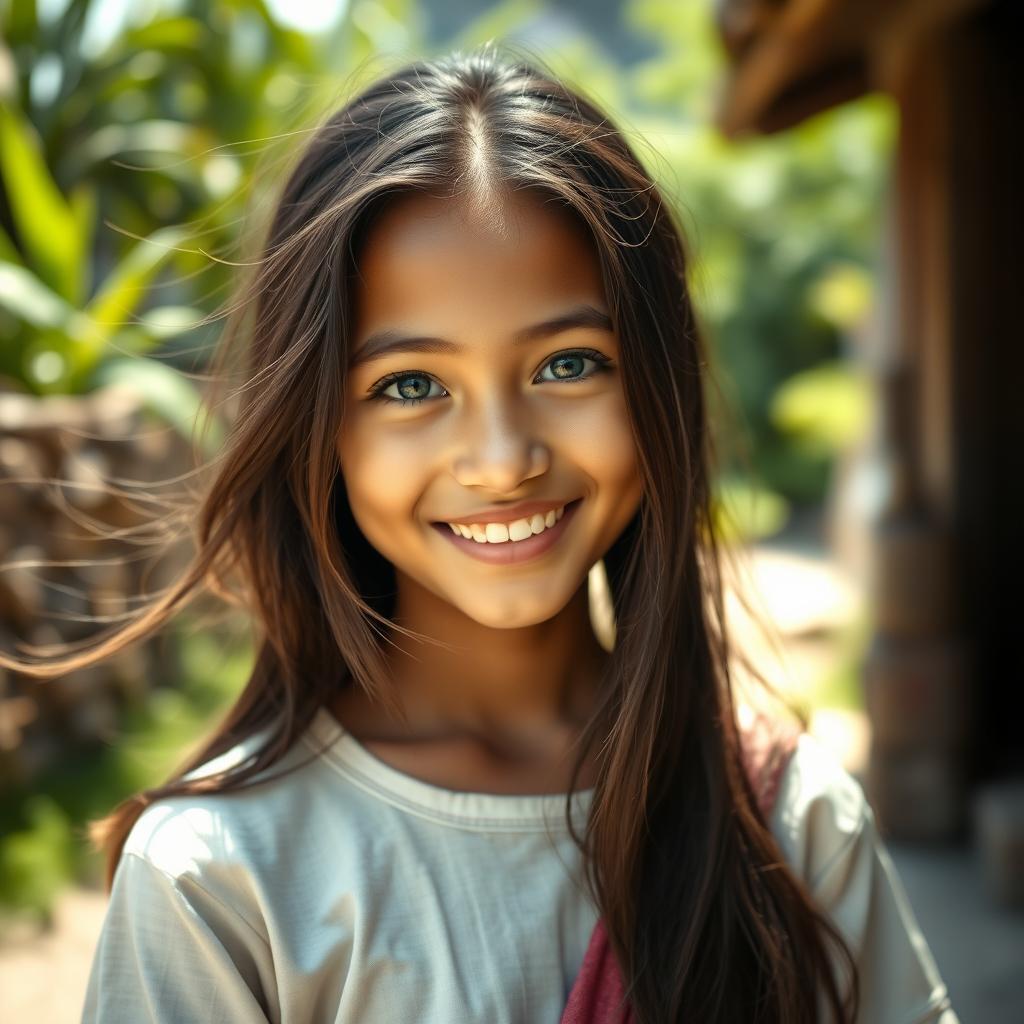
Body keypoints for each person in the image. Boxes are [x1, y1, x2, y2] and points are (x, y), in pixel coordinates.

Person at [2, 45, 955, 1023]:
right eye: (411, 384)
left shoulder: (787, 824)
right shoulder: (222, 879)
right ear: (319, 428)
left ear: (658, 382)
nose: (501, 462)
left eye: (568, 365)